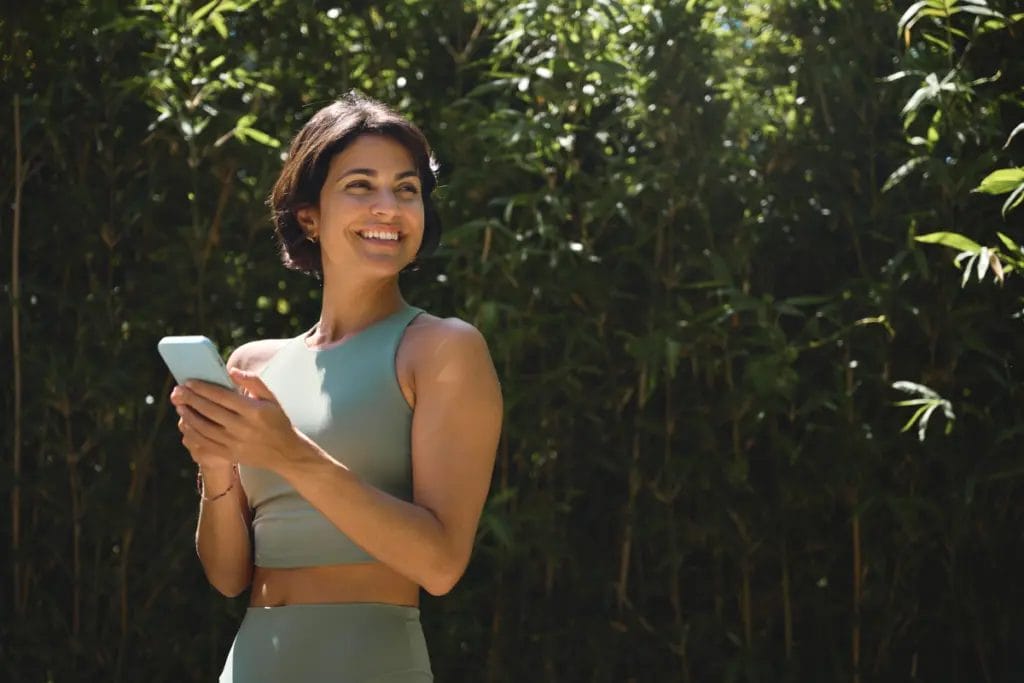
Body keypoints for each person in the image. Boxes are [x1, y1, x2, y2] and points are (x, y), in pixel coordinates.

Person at [168, 92, 503, 682]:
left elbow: (442, 565)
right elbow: (227, 576)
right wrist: (217, 469)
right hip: (250, 663)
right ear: (309, 217)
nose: (388, 207)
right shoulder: (256, 364)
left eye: (406, 189)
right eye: (360, 186)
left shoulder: (444, 349)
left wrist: (288, 455)